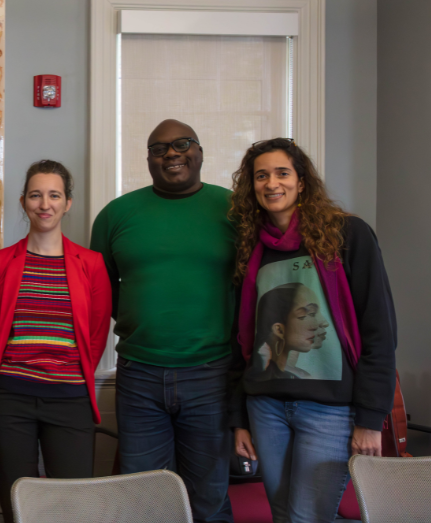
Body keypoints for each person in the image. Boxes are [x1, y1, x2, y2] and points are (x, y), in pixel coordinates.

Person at [229, 138, 397, 523]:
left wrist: (371, 419)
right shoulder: (251, 247)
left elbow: (379, 330)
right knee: (285, 515)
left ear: (301, 181)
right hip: (264, 405)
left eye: (282, 173)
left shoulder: (348, 235)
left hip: (331, 410)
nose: (272, 183)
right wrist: (238, 416)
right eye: (261, 176)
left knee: (308, 517)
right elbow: (242, 338)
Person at [89, 119, 236, 522]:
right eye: (159, 148)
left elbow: (252, 285)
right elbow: (103, 292)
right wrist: (142, 323)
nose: (171, 154)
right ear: (149, 159)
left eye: (182, 144)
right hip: (140, 374)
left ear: (200, 151)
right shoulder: (116, 215)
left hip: (212, 373)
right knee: (143, 494)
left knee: (208, 495)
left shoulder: (235, 210)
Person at [0, 160, 111, 520]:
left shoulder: (92, 264)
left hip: (70, 399)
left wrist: (69, 375)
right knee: (19, 504)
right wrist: (11, 369)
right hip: (10, 400)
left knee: (71, 507)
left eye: (54, 195)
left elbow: (96, 336)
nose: (44, 204)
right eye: (36, 195)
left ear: (67, 203)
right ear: (23, 202)